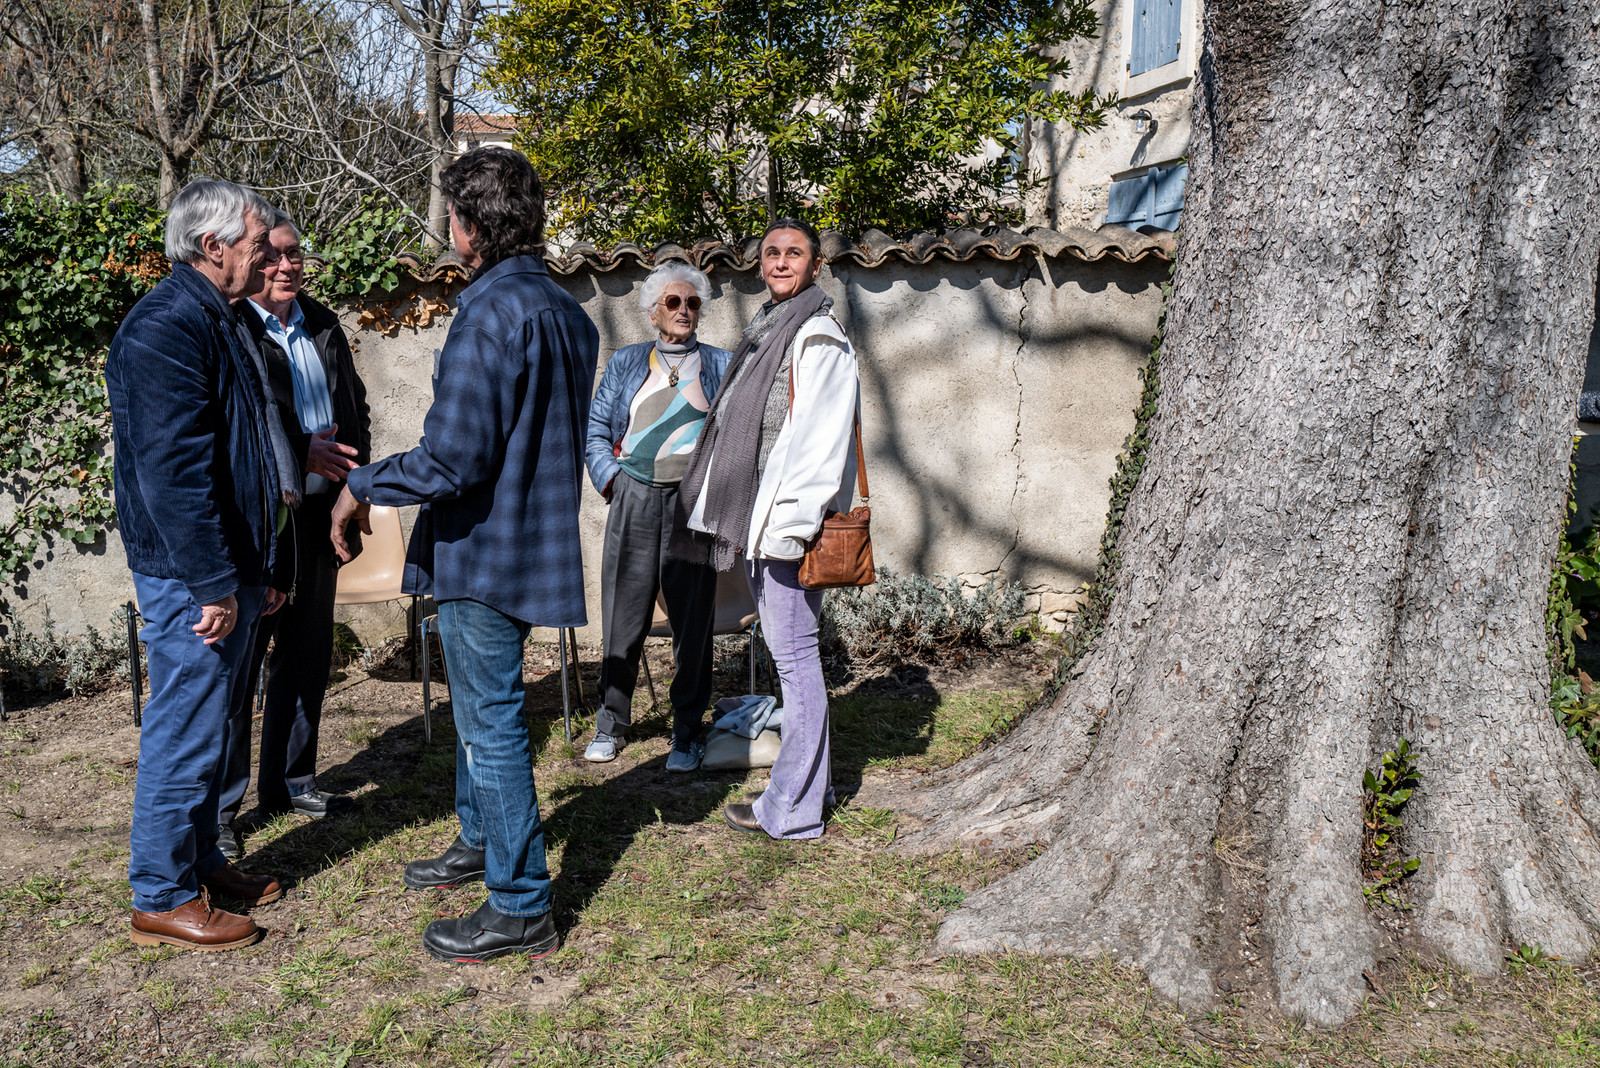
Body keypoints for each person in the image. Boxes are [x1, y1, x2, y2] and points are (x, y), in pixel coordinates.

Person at [331, 147, 598, 962]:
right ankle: (481, 840)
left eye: (451, 214)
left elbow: (453, 460)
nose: (448, 227)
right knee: (489, 715)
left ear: (468, 224)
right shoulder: (567, 312)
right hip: (531, 544)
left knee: (490, 722)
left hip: (485, 552)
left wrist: (364, 484)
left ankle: (520, 904)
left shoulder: (492, 314)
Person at [105, 178, 290, 951]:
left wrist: (265, 566)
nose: (266, 253)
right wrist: (213, 582)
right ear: (212, 247)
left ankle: (202, 859)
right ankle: (160, 891)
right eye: (254, 242)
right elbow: (175, 475)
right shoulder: (167, 327)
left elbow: (252, 452)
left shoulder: (224, 317)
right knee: (185, 725)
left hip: (233, 564)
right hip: (194, 574)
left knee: (215, 721)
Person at [676, 217, 859, 840]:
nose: (781, 262)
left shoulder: (818, 338)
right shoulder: (768, 331)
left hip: (786, 528)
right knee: (794, 662)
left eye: (795, 253)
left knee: (797, 661)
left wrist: (790, 530)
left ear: (815, 265)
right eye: (773, 253)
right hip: (763, 521)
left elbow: (820, 448)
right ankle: (812, 786)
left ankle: (794, 808)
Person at [216, 208, 372, 857]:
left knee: (306, 655)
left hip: (320, 518)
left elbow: (355, 408)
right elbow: (240, 428)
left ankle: (291, 780)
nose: (287, 265)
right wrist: (298, 451)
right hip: (261, 524)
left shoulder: (324, 322)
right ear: (253, 261)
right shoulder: (232, 330)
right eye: (274, 254)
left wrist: (354, 489)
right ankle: (223, 809)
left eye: (295, 254)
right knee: (240, 668)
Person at [583, 262, 732, 769]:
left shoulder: (720, 363)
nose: (685, 311)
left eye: (692, 303)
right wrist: (613, 480)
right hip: (635, 498)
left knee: (694, 624)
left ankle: (687, 732)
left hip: (694, 505)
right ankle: (612, 721)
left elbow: (735, 436)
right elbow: (597, 430)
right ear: (653, 313)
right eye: (674, 303)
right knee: (624, 615)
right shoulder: (627, 362)